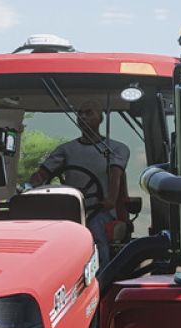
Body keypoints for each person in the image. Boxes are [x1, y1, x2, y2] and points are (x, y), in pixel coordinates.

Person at [22, 99, 129, 262]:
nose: (83, 117)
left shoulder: (115, 148)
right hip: (69, 211)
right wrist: (28, 188)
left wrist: (111, 199)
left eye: (89, 113)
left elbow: (116, 174)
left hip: (100, 211)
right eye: (80, 113)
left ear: (101, 118)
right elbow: (43, 173)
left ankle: (101, 276)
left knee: (94, 231)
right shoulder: (66, 150)